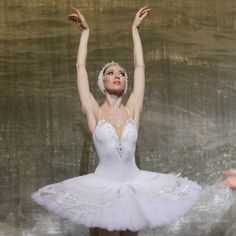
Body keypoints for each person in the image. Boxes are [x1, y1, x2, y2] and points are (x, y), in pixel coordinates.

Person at [32, 6, 236, 236]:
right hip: (103, 188)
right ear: (102, 82)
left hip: (134, 186)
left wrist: (134, 30)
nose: (117, 75)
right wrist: (85, 32)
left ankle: (228, 183)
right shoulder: (93, 112)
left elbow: (140, 67)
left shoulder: (133, 109)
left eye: (121, 73)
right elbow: (80, 68)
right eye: (111, 72)